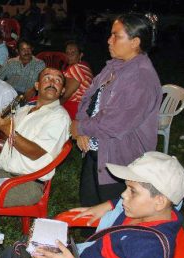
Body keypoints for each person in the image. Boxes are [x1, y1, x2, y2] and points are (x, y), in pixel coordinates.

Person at [0, 151, 184, 258]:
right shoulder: (150, 209)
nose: (123, 195)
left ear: (160, 201)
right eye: (126, 187)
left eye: (132, 191)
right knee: (12, 252)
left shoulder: (149, 246)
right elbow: (128, 203)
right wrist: (107, 205)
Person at [0, 67, 70, 258]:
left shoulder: (59, 116)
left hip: (27, 183)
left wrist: (8, 129)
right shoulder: (24, 110)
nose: (52, 82)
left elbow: (36, 152)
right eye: (47, 78)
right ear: (37, 86)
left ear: (62, 90)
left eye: (58, 80)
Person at [70, 13, 163, 208]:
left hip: (120, 163)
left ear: (135, 42)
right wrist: (80, 128)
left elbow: (112, 124)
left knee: (112, 222)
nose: (109, 40)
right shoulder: (114, 67)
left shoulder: (140, 79)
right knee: (89, 212)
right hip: (96, 151)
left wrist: (79, 128)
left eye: (116, 36)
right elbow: (87, 98)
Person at [60, 40, 94, 120]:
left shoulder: (77, 68)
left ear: (80, 55)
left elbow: (66, 95)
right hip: (84, 108)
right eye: (67, 53)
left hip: (74, 108)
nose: (69, 55)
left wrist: (52, 107)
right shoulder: (84, 66)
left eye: (73, 53)